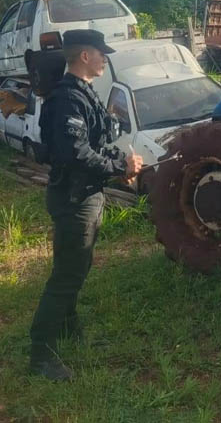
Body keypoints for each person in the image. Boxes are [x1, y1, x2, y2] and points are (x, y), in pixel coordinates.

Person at [29, 29, 143, 381]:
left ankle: (68, 327)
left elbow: (94, 142)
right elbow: (74, 154)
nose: (104, 58)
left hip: (86, 195)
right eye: (100, 53)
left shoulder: (82, 93)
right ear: (84, 56)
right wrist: (118, 169)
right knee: (67, 276)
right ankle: (41, 355)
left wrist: (122, 162)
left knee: (76, 266)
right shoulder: (68, 99)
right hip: (74, 198)